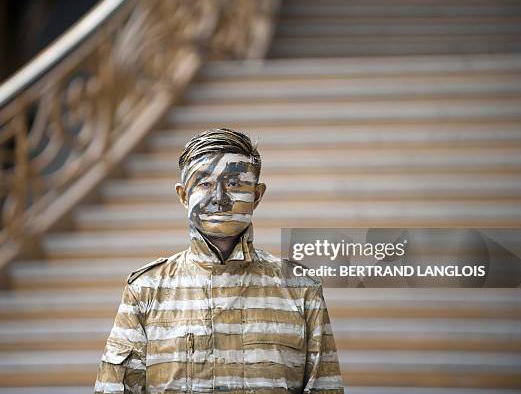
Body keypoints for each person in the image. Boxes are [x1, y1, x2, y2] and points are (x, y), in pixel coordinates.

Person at [94, 128, 344, 393]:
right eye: (204, 183)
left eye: (235, 184)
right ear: (183, 196)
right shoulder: (145, 291)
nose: (219, 198)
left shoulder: (301, 290)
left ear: (257, 196)